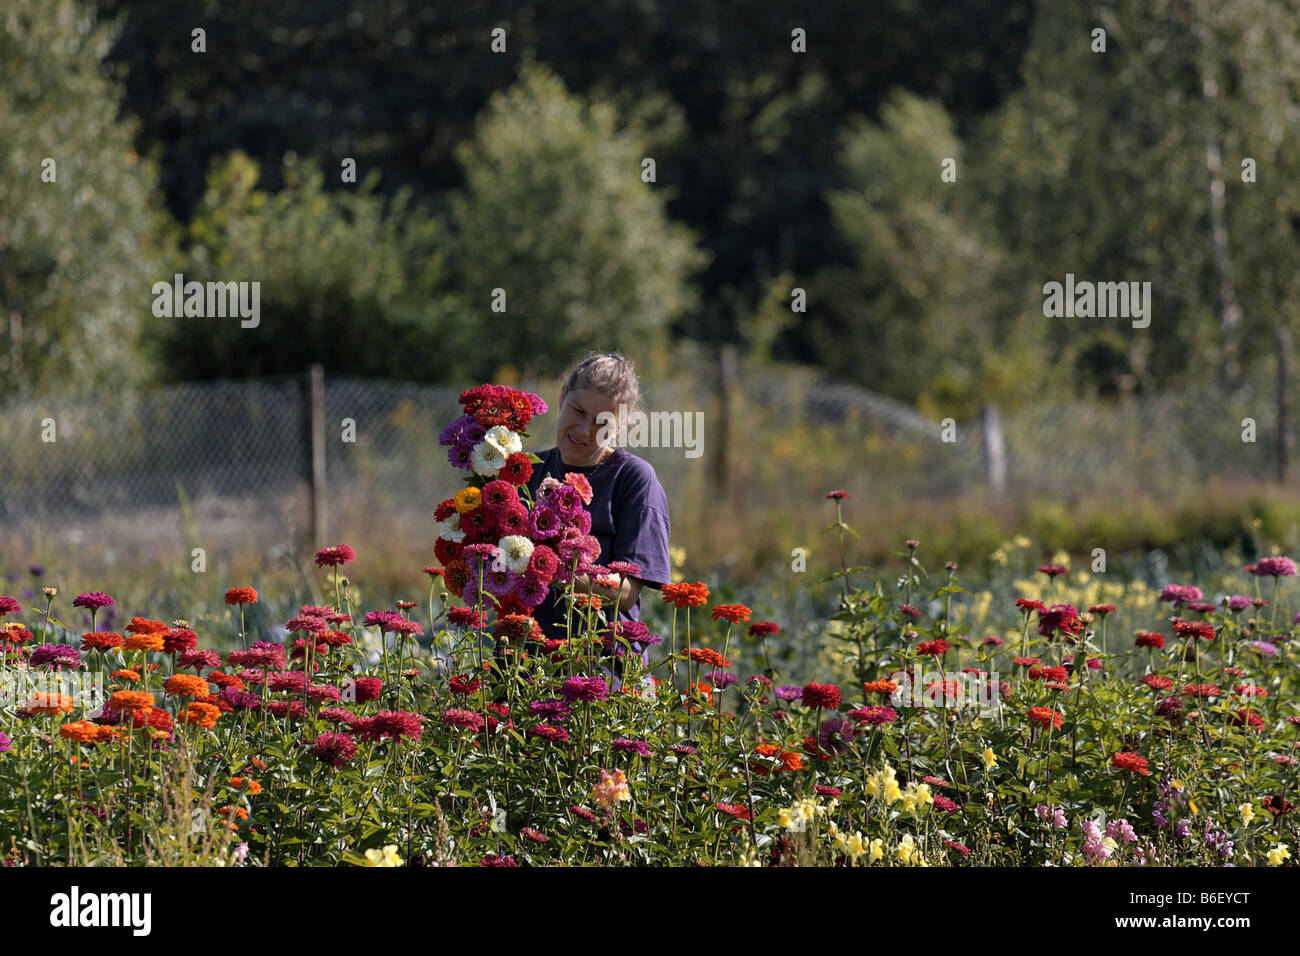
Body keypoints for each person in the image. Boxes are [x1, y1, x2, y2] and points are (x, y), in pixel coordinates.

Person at [523, 352, 672, 689]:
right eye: (578, 411)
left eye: (603, 422)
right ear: (562, 397)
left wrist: (548, 569)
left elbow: (627, 591)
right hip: (524, 666)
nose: (585, 430)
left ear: (622, 426)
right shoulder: (527, 470)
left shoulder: (634, 479)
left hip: (604, 675)